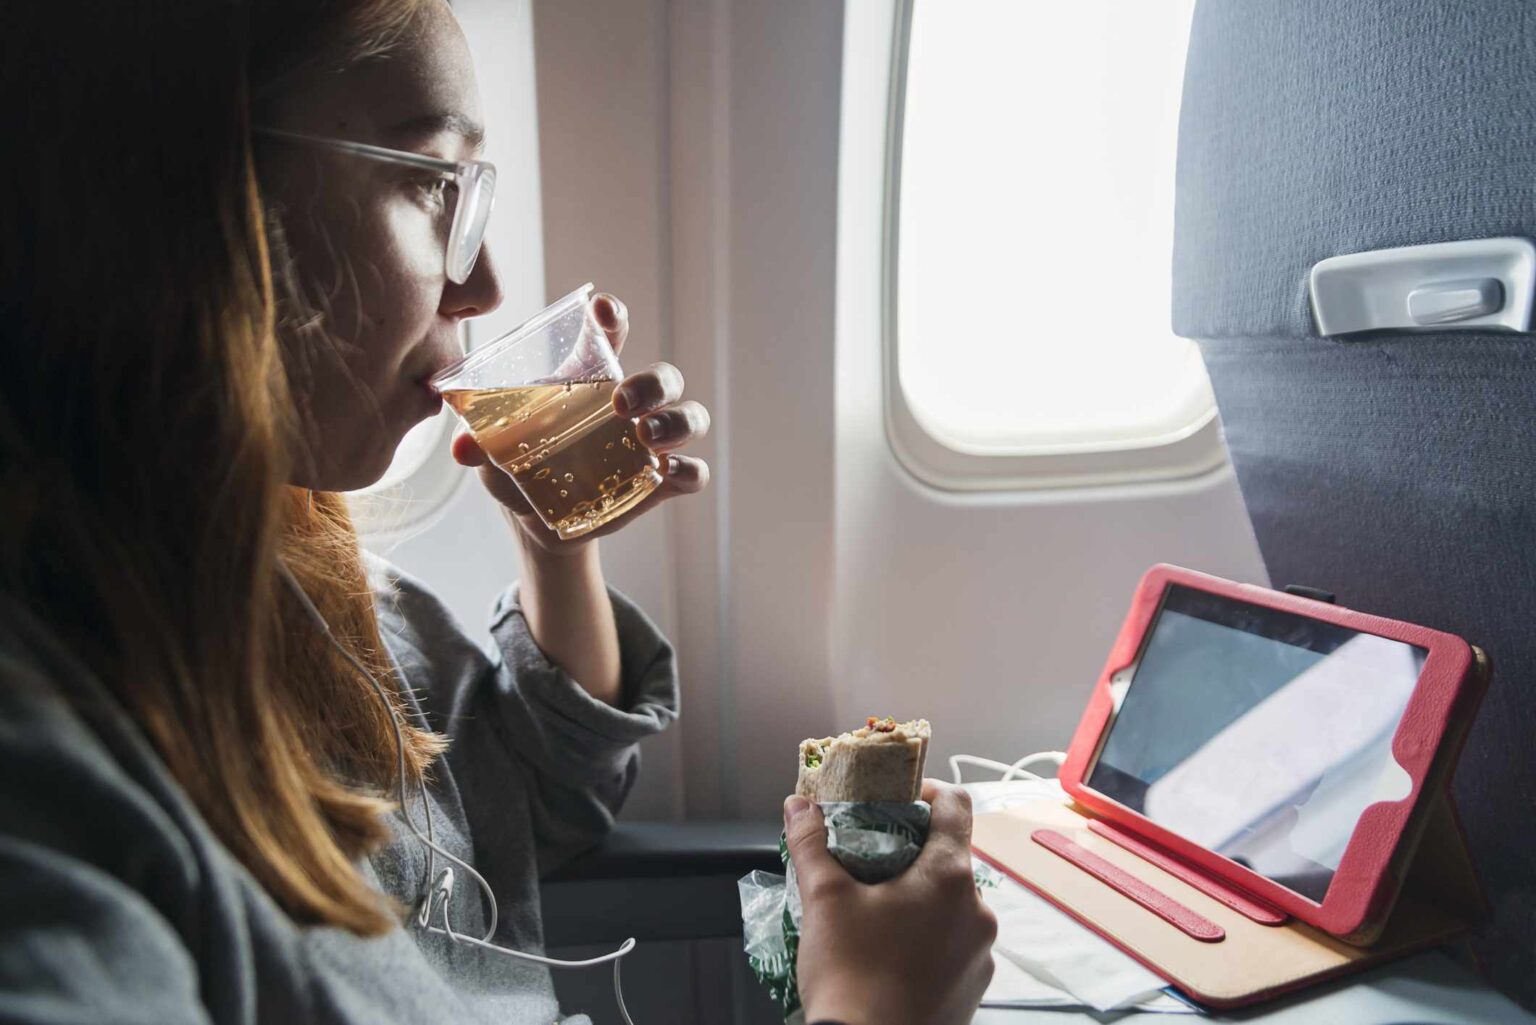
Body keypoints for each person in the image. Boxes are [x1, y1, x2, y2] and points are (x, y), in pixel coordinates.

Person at [0, 1, 996, 1023]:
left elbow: (541, 792)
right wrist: (875, 1002)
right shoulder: (44, 799)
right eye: (433, 181)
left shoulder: (302, 579)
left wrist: (553, 551)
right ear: (185, 197)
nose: (482, 284)